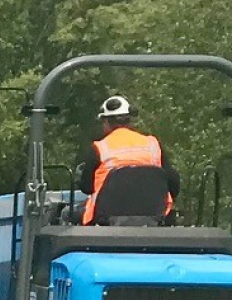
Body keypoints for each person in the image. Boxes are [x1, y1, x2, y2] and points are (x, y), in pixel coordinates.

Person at [75, 95, 181, 225]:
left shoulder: (100, 147)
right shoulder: (152, 144)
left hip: (105, 220)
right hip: (154, 218)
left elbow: (87, 187)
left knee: (66, 214)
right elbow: (173, 182)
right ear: (130, 121)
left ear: (106, 122)